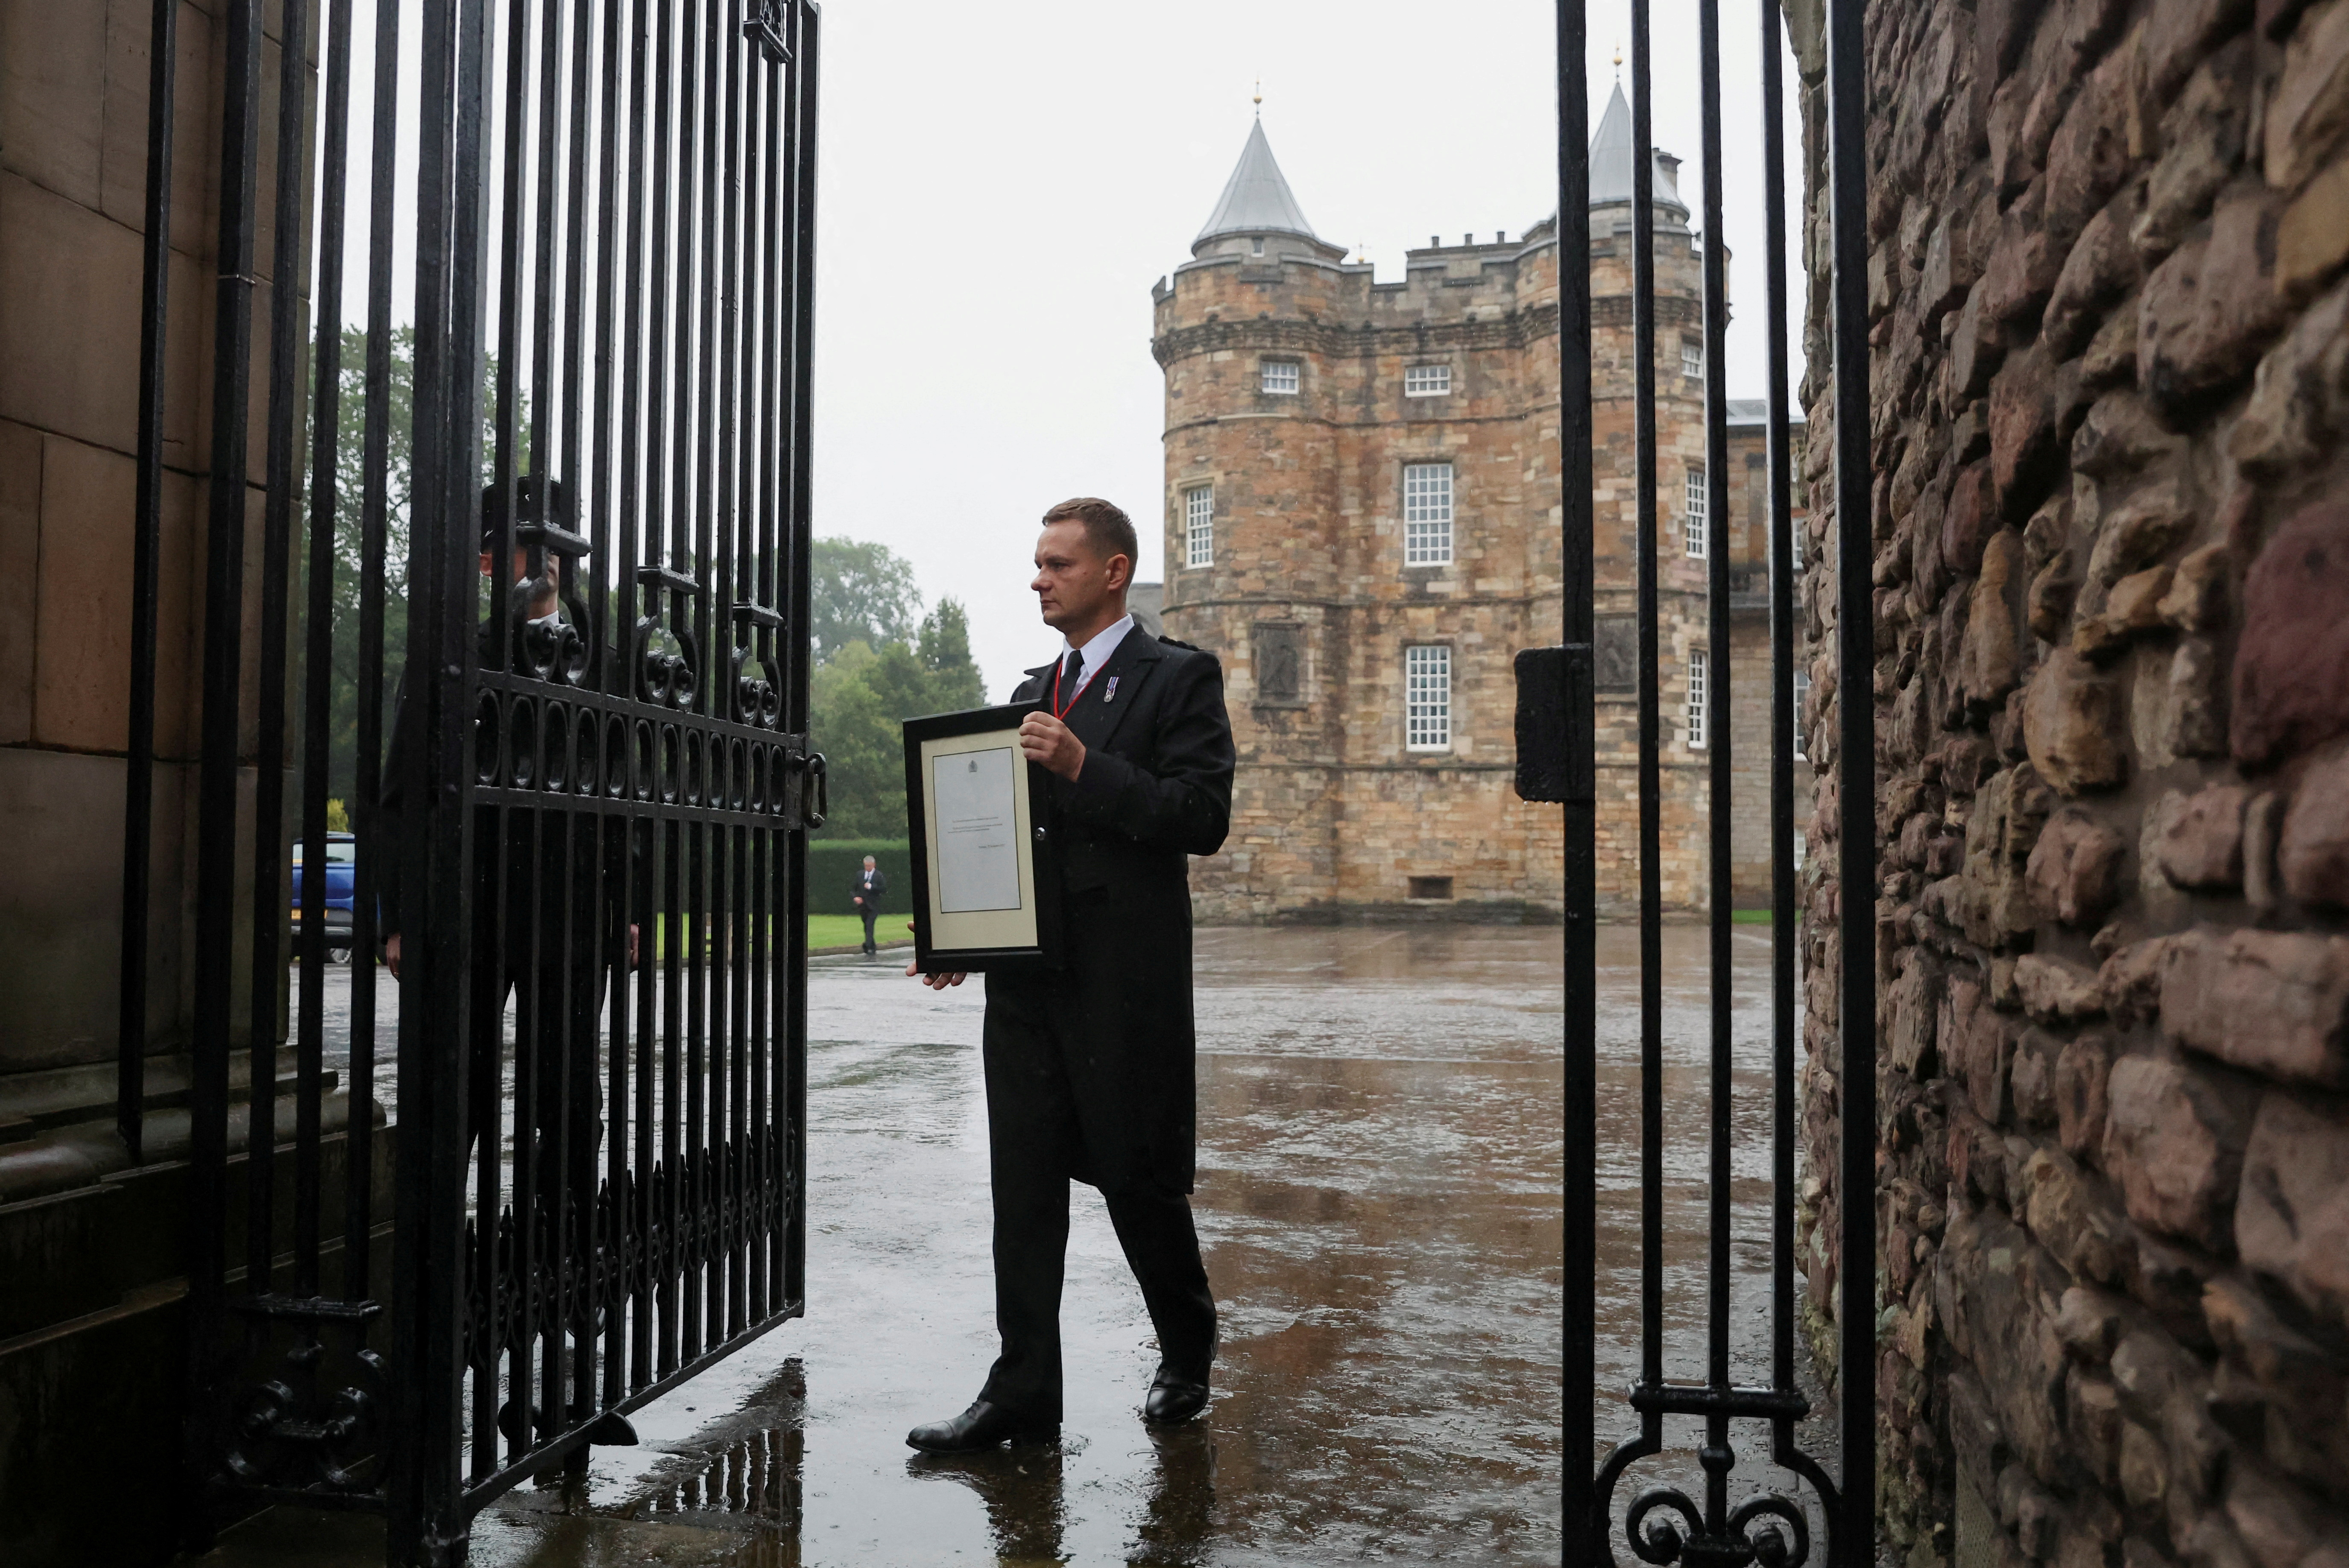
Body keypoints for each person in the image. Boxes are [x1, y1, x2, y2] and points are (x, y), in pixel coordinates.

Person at [904, 497, 1235, 1453]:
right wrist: (958, 931)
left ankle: (1185, 1349)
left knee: (1137, 1177)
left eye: (1056, 562)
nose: (1038, 577)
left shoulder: (1178, 676)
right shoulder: (1026, 688)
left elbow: (1199, 815)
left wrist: (1088, 763)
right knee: (1025, 1190)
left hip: (1121, 983)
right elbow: (1002, 839)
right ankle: (1022, 1394)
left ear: (1113, 571)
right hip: (1027, 986)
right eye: (1036, 563)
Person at [380, 477, 639, 1451]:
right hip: (472, 907)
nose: (554, 565)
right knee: (460, 1100)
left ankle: (567, 1324)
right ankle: (437, 1299)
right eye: (534, 548)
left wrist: (622, 907)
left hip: (571, 910)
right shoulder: (456, 643)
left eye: (561, 548)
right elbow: (402, 789)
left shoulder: (600, 653)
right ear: (493, 558)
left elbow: (627, 788)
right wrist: (400, 918)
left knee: (567, 1101)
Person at [852, 854, 887, 956]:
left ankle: (867, 945)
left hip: (874, 906)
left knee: (870, 925)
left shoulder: (879, 875)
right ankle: (873, 946)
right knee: (866, 926)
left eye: (870, 866)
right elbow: (853, 889)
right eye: (866, 866)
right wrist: (855, 897)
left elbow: (884, 889)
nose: (868, 868)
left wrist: (872, 886)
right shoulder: (860, 875)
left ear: (874, 865)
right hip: (863, 906)